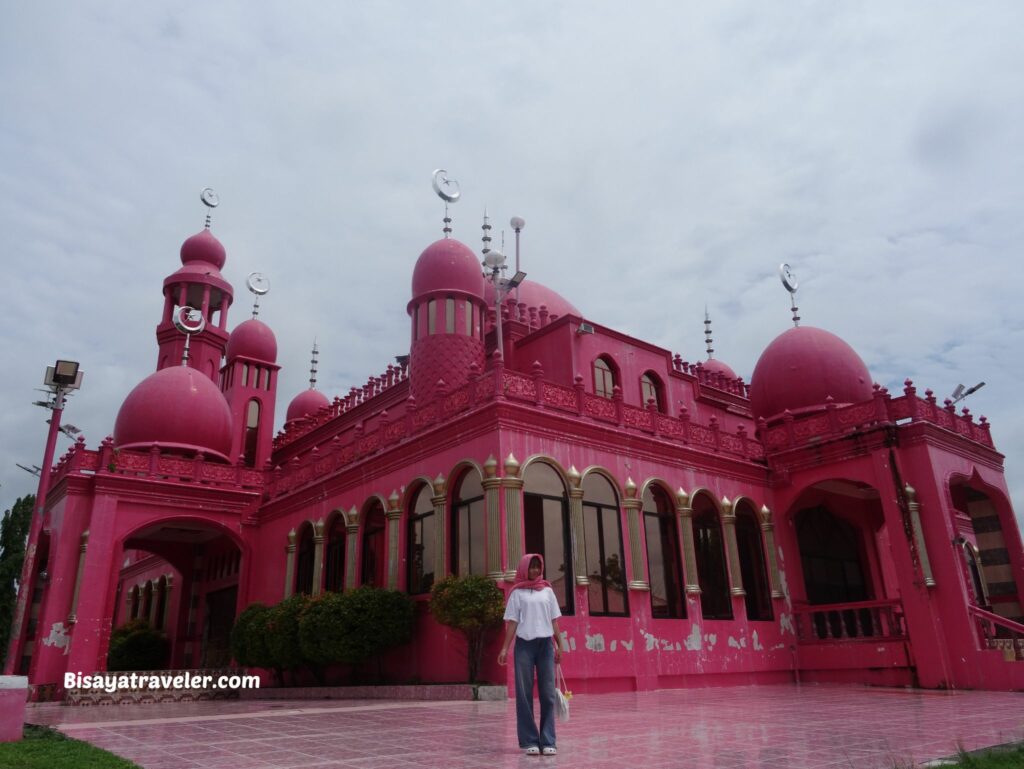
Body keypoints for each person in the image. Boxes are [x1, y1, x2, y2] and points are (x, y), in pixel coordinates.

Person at [497, 553, 563, 756]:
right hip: (524, 646)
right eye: (531, 567)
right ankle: (529, 741)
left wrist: (560, 645)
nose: (535, 570)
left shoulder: (548, 591)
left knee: (548, 694)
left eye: (538, 567)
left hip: (545, 646)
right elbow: (513, 623)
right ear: (524, 568)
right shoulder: (517, 593)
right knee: (524, 694)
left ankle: (548, 739)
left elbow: (554, 621)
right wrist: (505, 648)